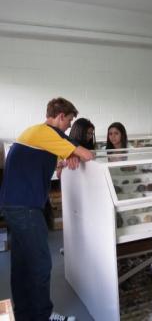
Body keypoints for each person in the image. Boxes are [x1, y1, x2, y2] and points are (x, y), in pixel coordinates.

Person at [0, 97, 94, 321]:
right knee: (41, 263)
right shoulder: (47, 133)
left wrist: (66, 157)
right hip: (26, 207)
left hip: (14, 204)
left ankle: (25, 314)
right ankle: (43, 315)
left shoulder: (37, 133)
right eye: (69, 121)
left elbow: (53, 156)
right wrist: (74, 153)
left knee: (22, 265)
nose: (70, 126)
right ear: (60, 116)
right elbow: (88, 154)